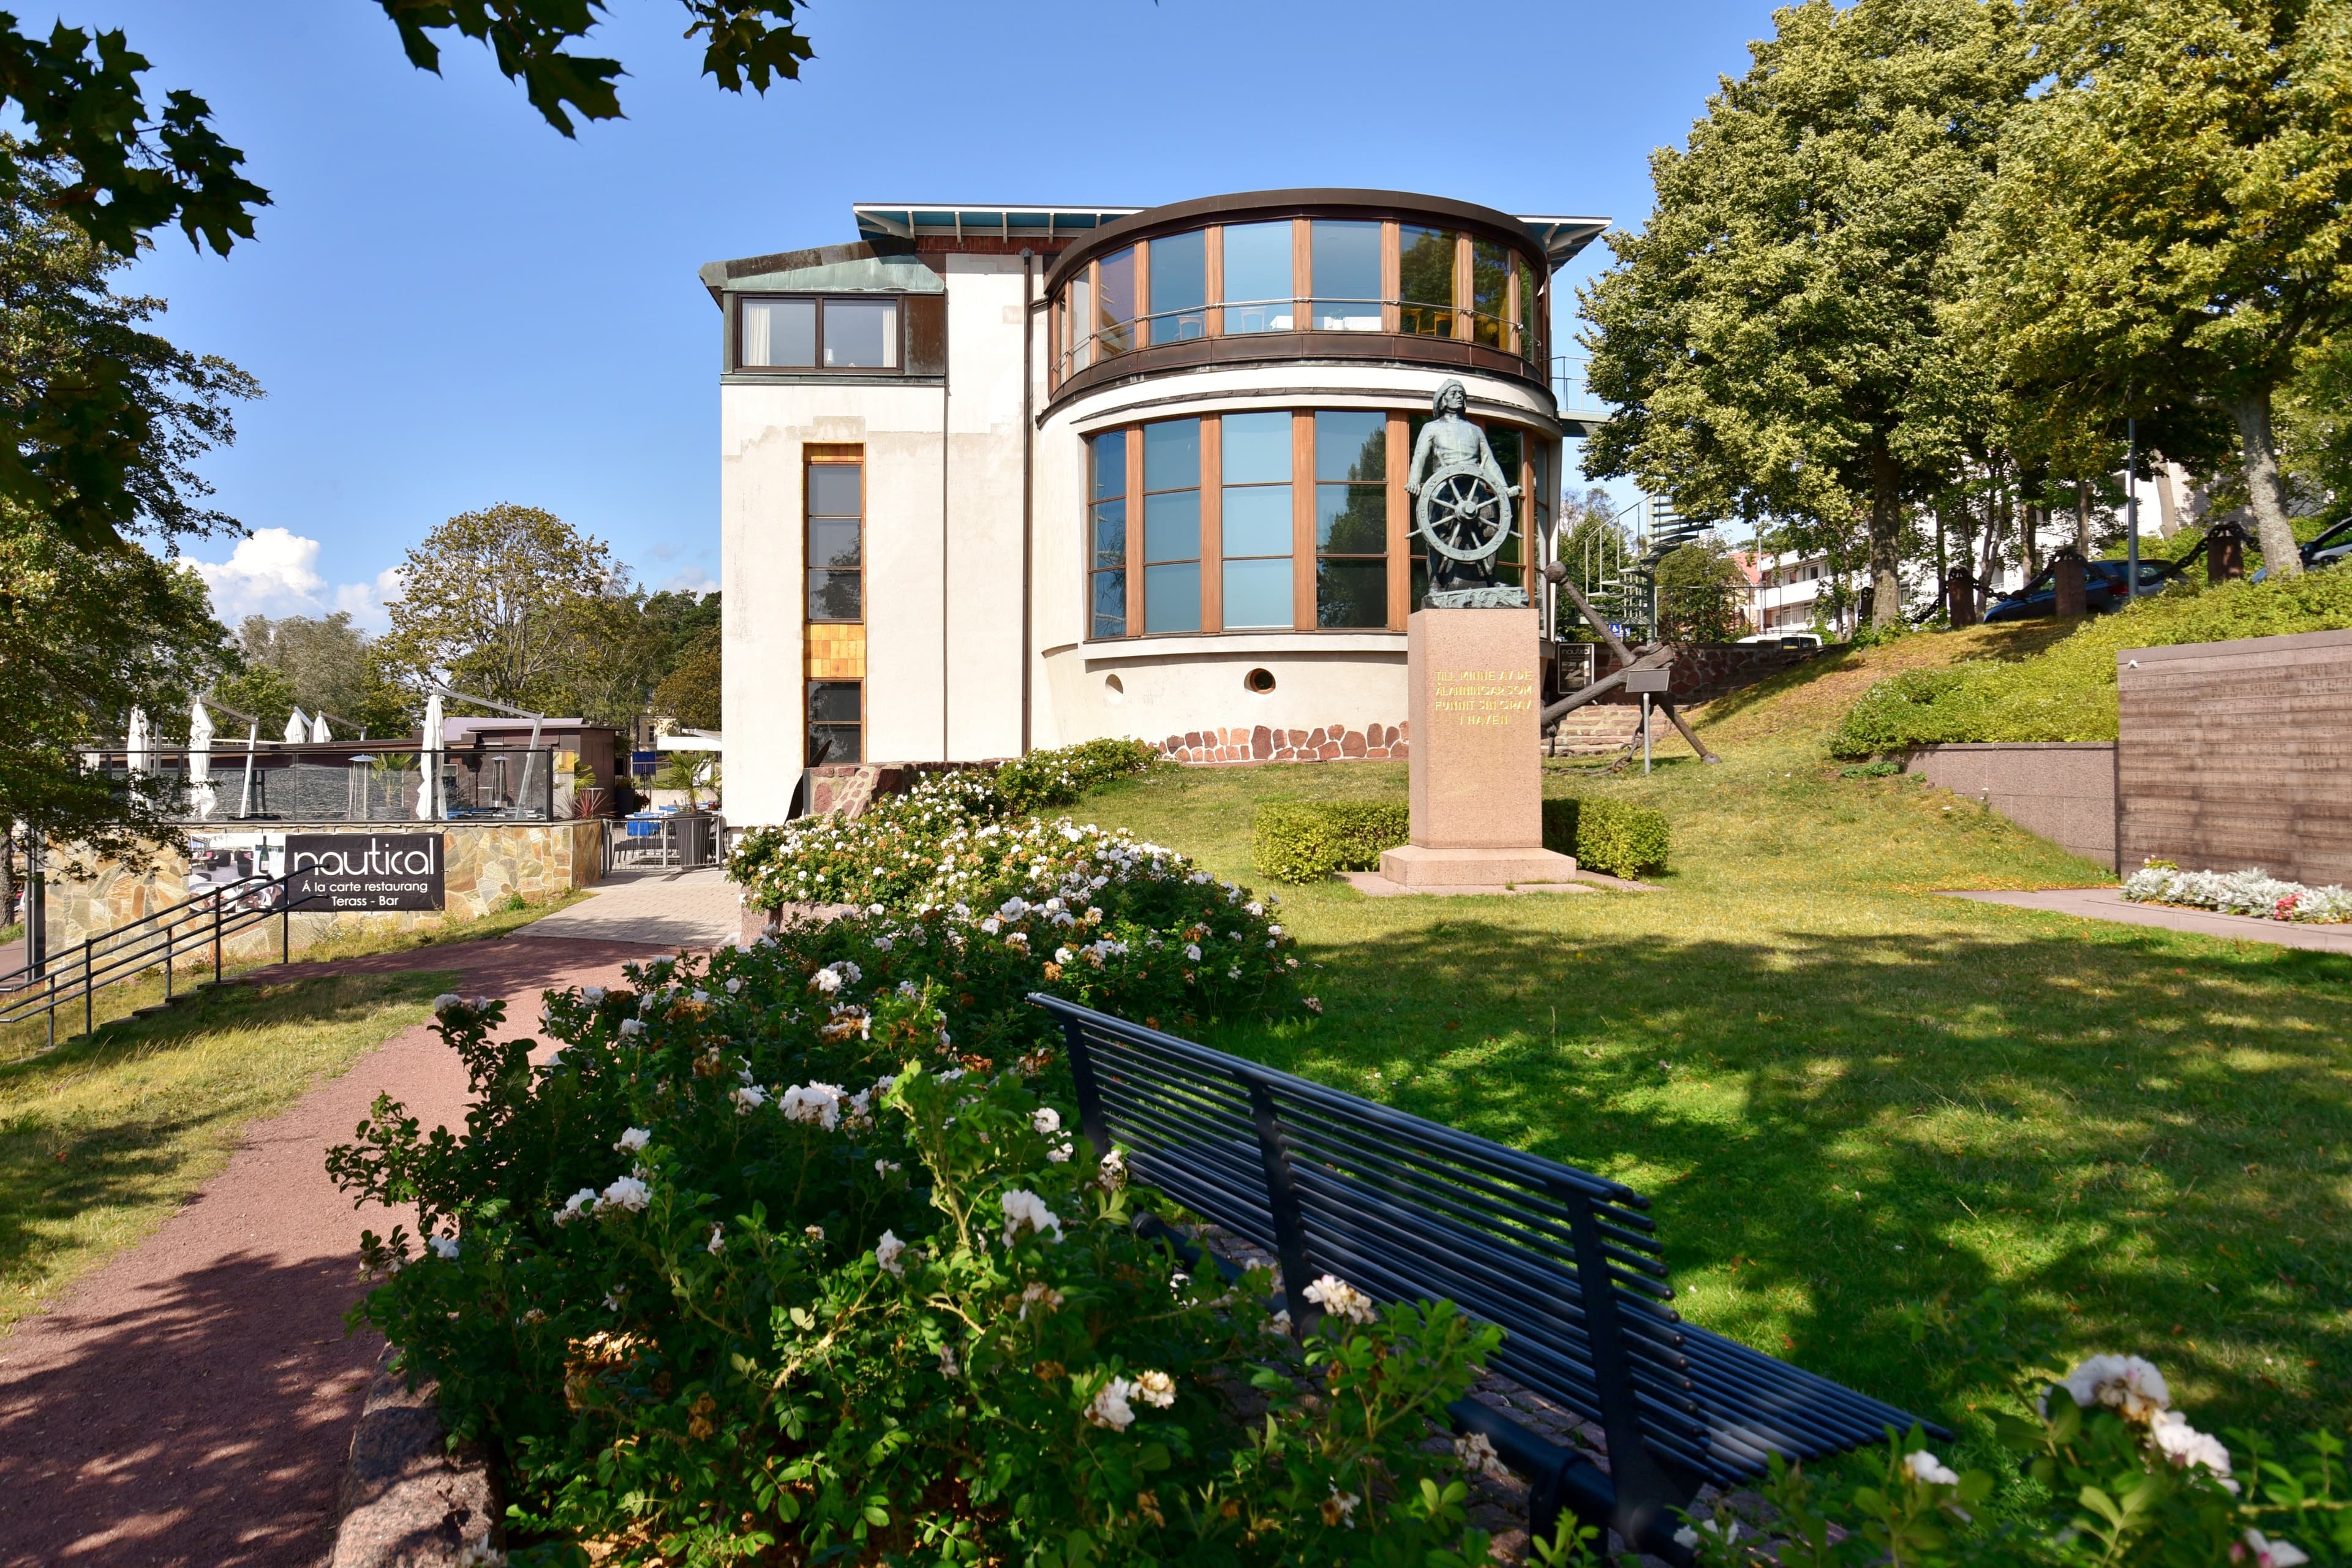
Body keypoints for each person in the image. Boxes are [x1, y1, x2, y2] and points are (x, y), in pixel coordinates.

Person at [1404, 380, 1520, 600]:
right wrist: (1413, 482)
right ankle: (1436, 583)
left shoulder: (1474, 430)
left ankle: (1489, 578)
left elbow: (1488, 461)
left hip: (1475, 492)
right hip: (1444, 491)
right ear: (1443, 399)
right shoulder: (1432, 428)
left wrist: (1503, 488)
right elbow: (1419, 457)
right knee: (1438, 536)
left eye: (1462, 394)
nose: (1460, 397)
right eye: (1455, 393)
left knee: (1492, 531)